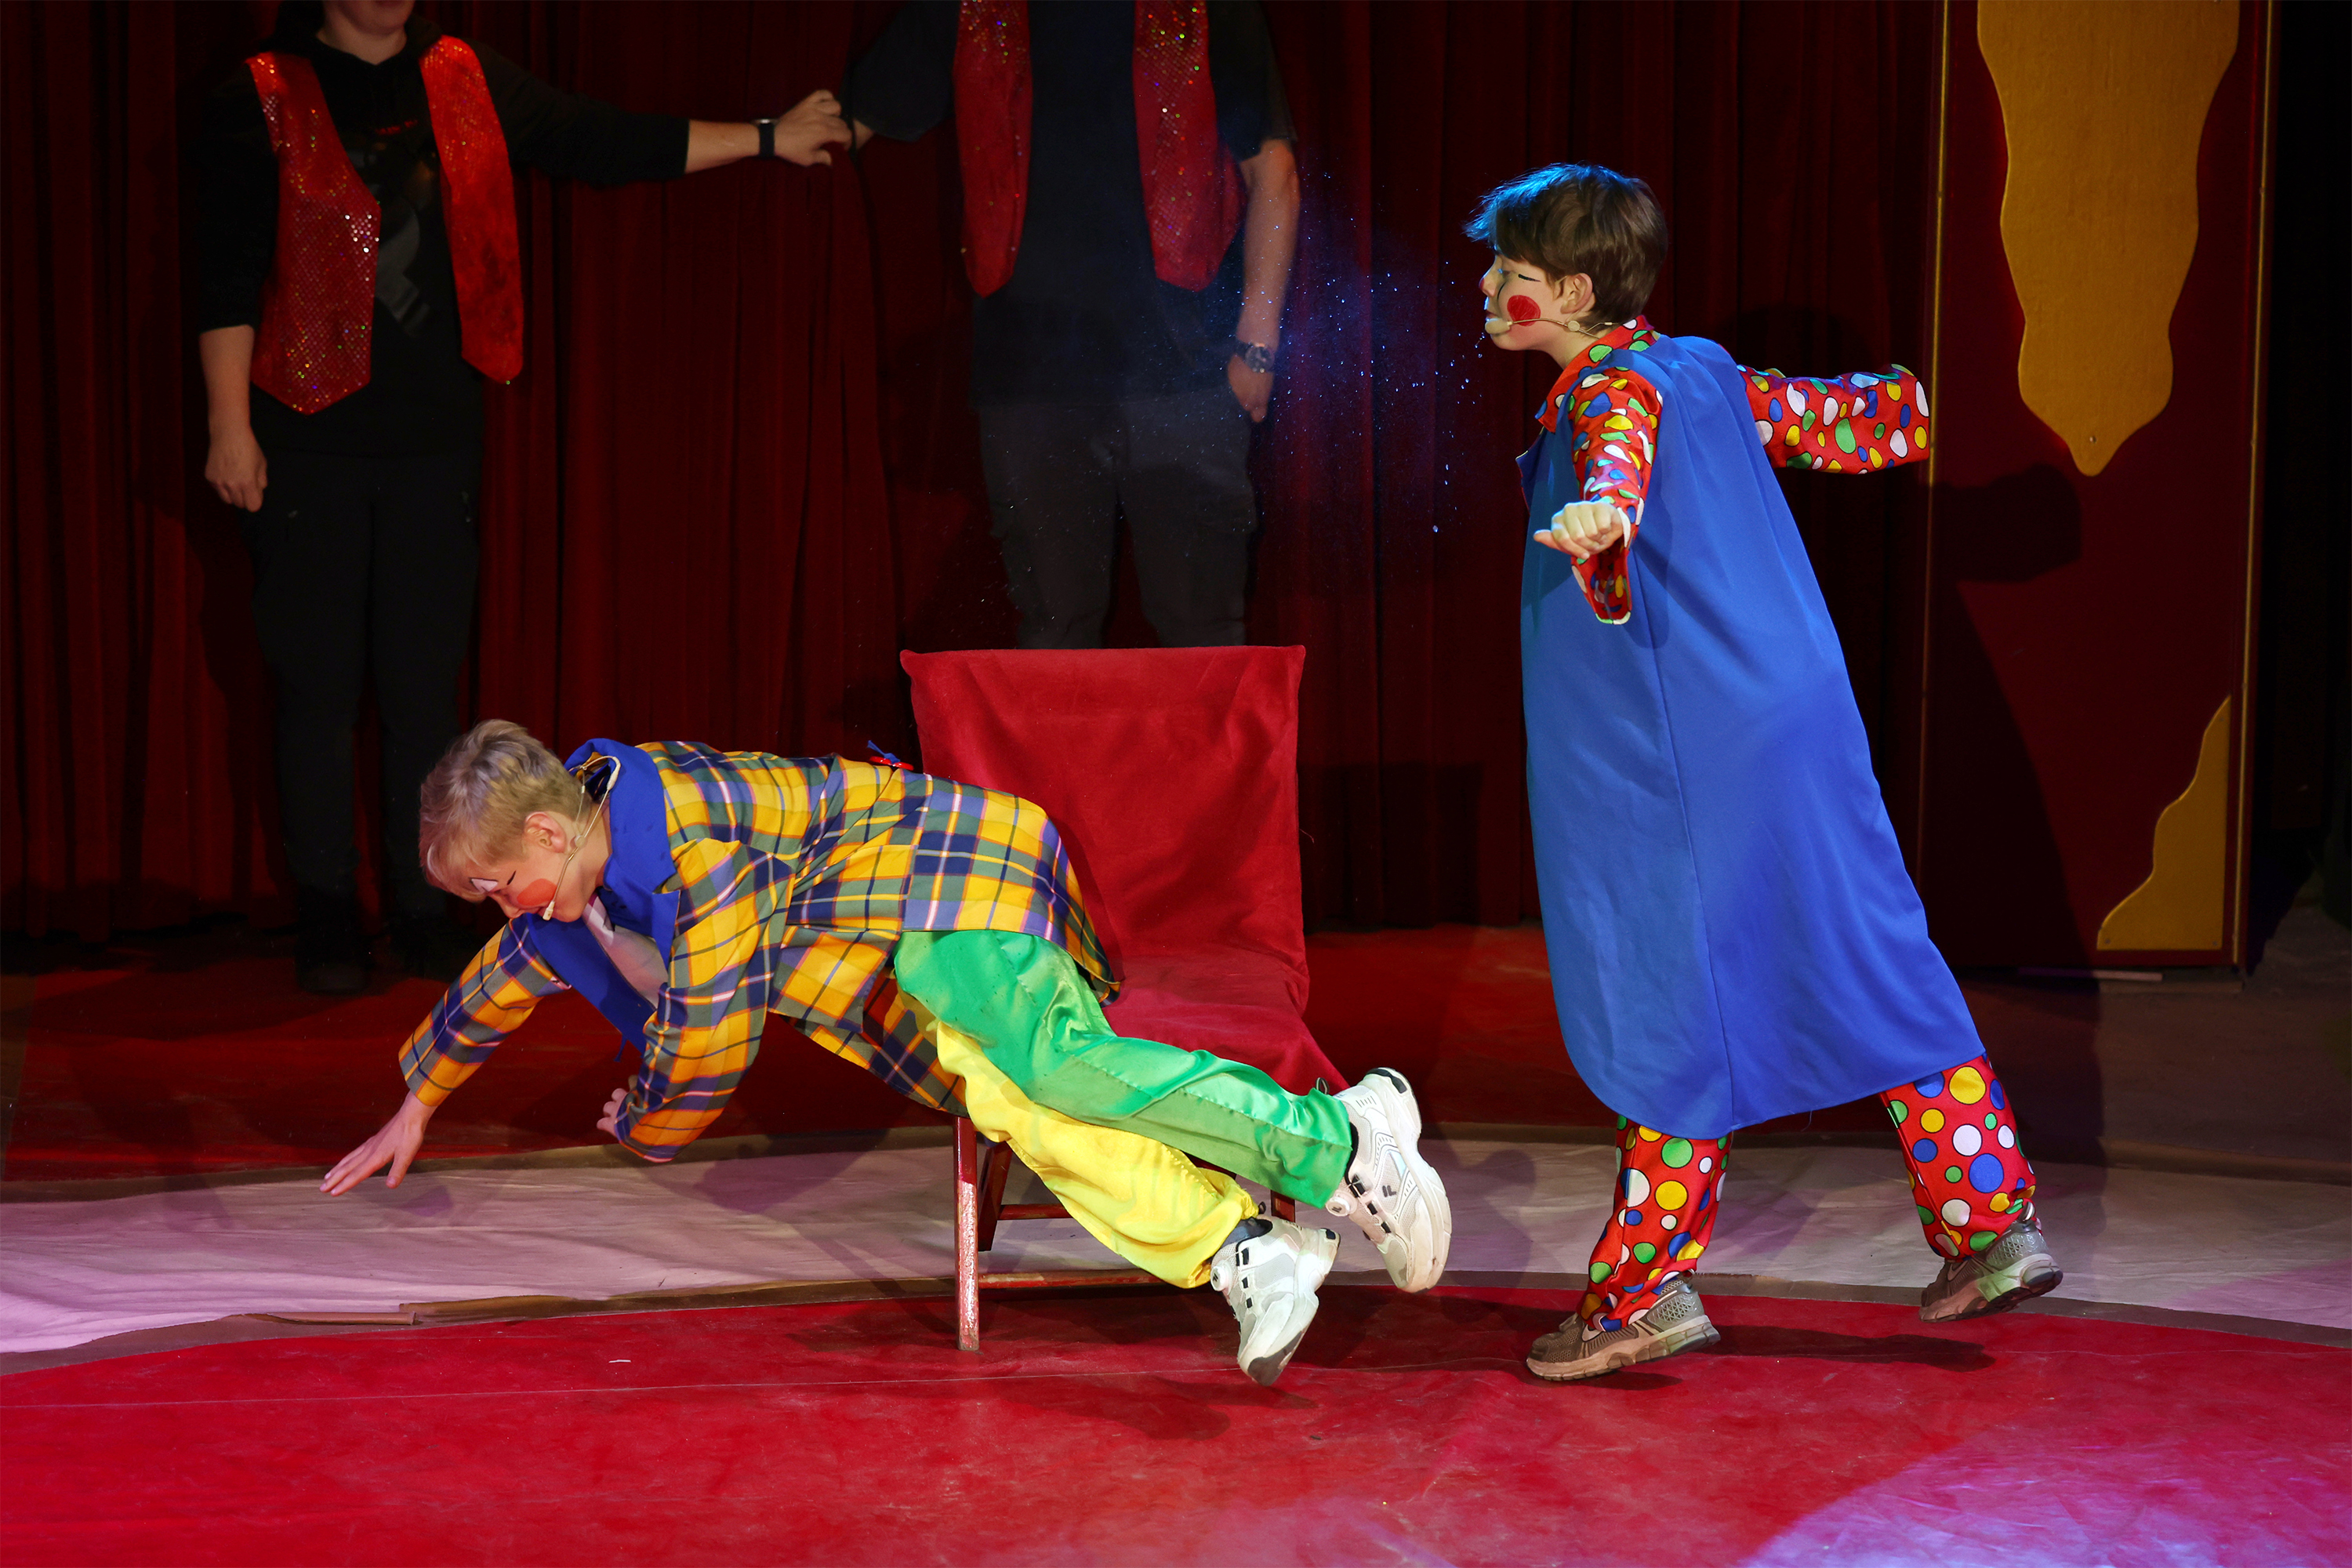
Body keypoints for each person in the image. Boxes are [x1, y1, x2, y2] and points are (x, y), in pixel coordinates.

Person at [322, 721, 1452, 1385]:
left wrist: (647, 1117)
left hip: (951, 885)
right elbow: (510, 969)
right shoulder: (584, 857)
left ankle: (1340, 1142)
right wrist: (420, 1096)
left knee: (1054, 1068)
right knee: (1022, 1107)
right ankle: (1242, 1246)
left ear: (548, 831)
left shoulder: (689, 849)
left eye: (497, 884)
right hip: (895, 962)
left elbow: (709, 1042)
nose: (501, 907)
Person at [1470, 164, 2062, 1381]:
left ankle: (1641, 1294)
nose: (1487, 287)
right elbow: (1861, 422)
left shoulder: (1613, 391)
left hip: (1690, 755)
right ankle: (1990, 1223)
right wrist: (1915, 401)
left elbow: (1619, 464)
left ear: (1571, 293)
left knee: (1671, 1001)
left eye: (1510, 273)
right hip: (1796, 722)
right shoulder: (1701, 368)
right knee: (1870, 951)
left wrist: (1602, 517)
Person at [195, 0, 848, 993]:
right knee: (316, 694)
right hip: (305, 442)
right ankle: (326, 916)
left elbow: (602, 139)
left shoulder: (464, 75)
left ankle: (423, 911)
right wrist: (229, 426)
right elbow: (227, 272)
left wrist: (769, 136)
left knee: (422, 694)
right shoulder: (265, 92)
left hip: (434, 445)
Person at [844, 1, 1300, 650]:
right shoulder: (972, 7)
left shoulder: (1204, 6)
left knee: (1200, 636)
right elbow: (851, 121)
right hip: (1029, 375)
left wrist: (1258, 344)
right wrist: (760, 140)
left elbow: (1273, 170)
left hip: (1185, 369)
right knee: (1055, 637)